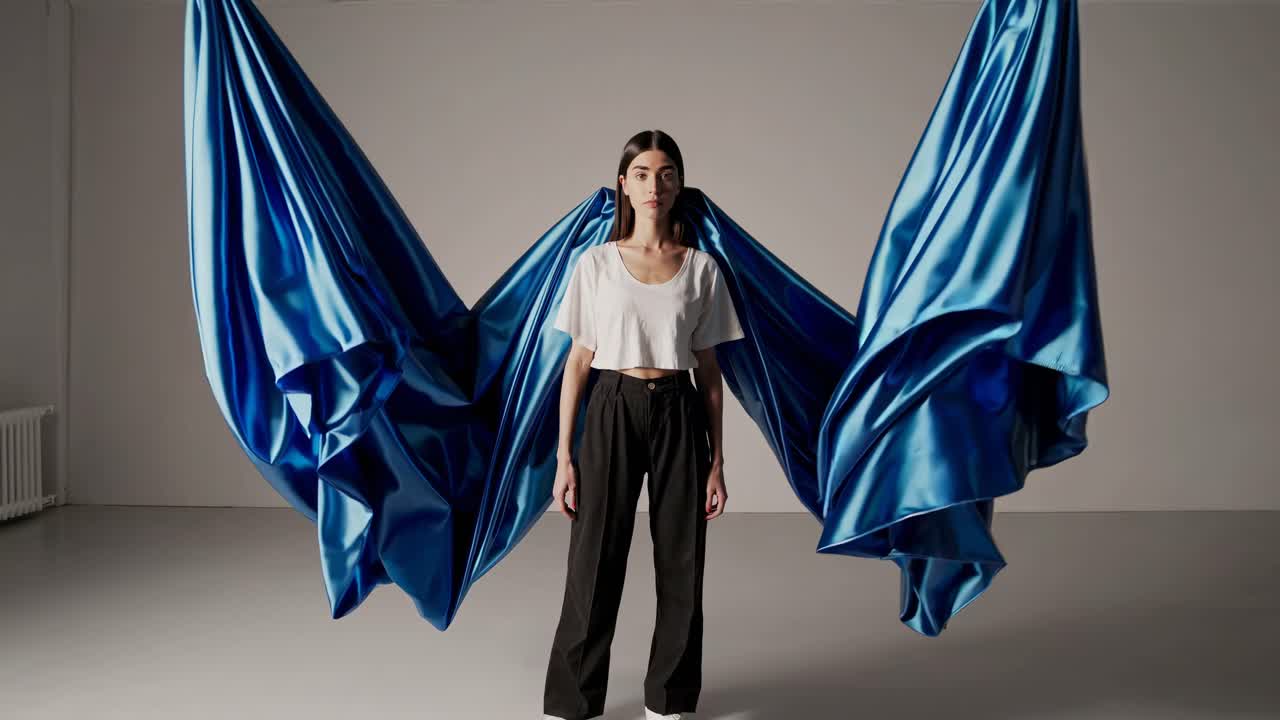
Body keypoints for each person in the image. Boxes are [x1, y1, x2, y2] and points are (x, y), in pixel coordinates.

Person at [542, 130, 746, 720]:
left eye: (665, 174)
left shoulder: (702, 269)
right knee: (593, 559)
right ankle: (573, 702)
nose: (653, 186)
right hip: (611, 404)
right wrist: (564, 457)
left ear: (678, 184)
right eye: (641, 174)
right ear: (624, 186)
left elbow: (709, 371)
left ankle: (670, 702)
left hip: (678, 410)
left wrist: (717, 461)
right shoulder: (597, 264)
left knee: (682, 560)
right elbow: (578, 361)